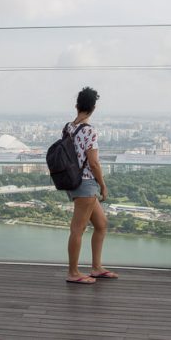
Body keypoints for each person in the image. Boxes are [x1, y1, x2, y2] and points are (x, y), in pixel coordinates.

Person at [65, 87, 119, 284]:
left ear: (77, 105)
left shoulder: (68, 127)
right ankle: (73, 272)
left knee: (101, 224)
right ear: (93, 108)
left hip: (74, 181)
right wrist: (103, 185)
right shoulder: (89, 131)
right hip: (86, 183)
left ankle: (96, 268)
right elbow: (94, 163)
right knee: (78, 229)